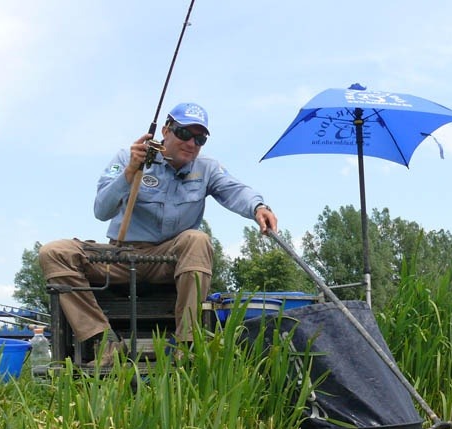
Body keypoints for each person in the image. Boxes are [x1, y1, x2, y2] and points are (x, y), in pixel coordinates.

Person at [39, 102, 278, 365]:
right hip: (121, 257)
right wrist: (130, 172)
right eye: (185, 133)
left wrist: (258, 207)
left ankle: (187, 346)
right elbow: (101, 209)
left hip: (169, 258)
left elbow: (236, 191)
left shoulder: (208, 168)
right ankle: (103, 342)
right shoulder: (127, 158)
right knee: (55, 252)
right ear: (166, 130)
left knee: (197, 240)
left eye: (200, 138)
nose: (192, 143)